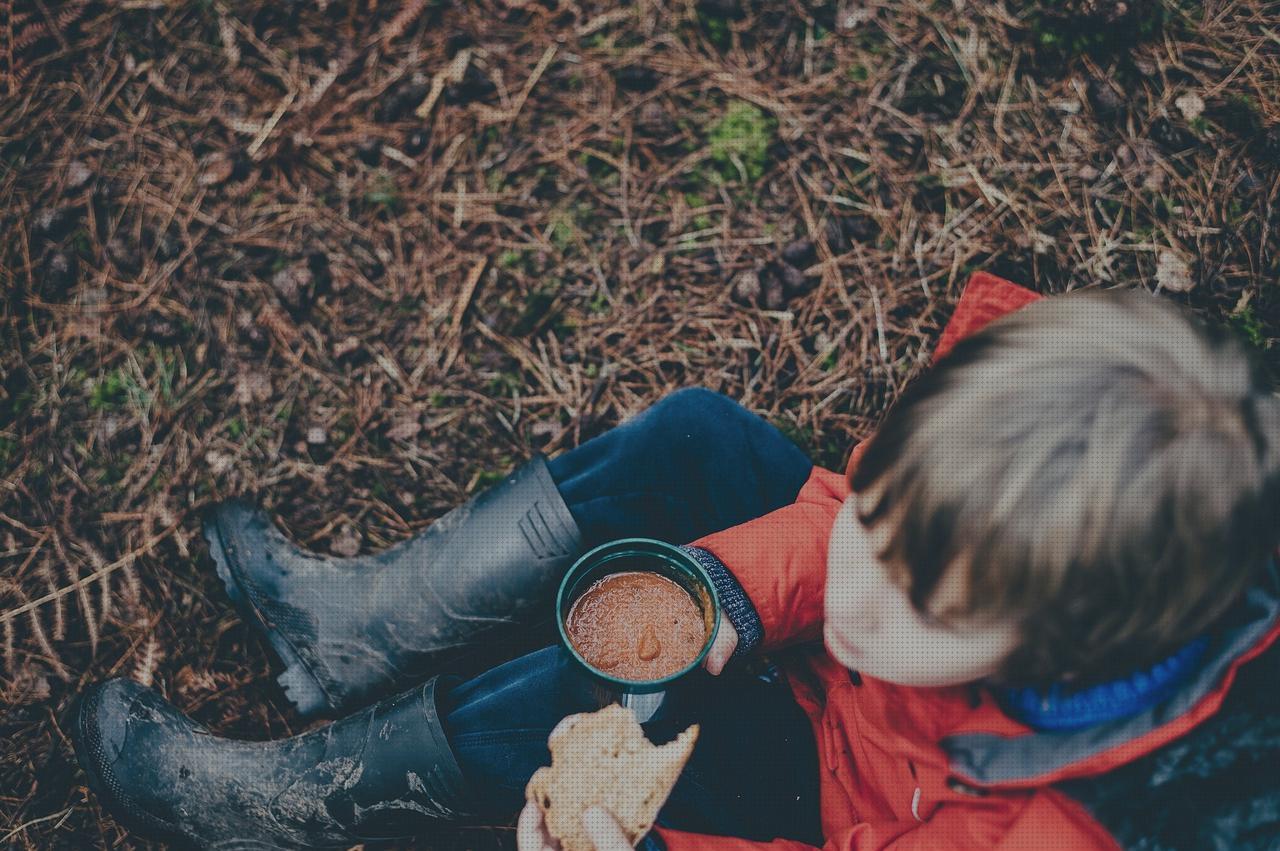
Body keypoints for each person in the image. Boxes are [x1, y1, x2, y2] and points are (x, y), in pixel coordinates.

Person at [70, 273, 1280, 850]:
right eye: (880, 526)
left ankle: (288, 812)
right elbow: (841, 514)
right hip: (842, 699)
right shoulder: (1016, 468)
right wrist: (740, 596)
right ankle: (349, 629)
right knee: (697, 438)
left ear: (1061, 650)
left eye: (910, 593)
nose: (857, 585)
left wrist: (624, 847)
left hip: (824, 813)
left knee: (582, 708)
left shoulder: (1057, 829)